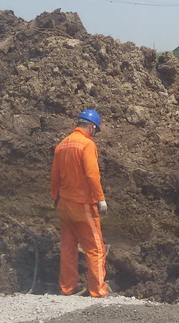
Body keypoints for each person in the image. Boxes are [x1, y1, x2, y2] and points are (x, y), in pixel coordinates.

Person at [51, 109, 108, 297]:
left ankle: (67, 289)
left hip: (64, 204)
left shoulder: (62, 145)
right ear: (91, 127)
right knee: (95, 248)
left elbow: (55, 176)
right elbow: (92, 175)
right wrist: (100, 198)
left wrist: (55, 198)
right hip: (82, 205)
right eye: (95, 130)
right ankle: (98, 291)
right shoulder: (87, 144)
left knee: (68, 248)